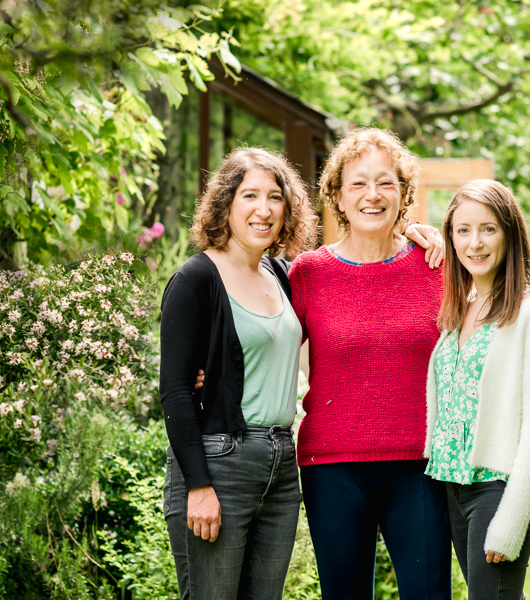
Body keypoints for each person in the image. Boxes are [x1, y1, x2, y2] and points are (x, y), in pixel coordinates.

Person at [159, 146, 443, 600]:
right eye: (249, 196)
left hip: (372, 462)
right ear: (336, 195)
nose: (263, 210)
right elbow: (190, 376)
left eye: (274, 197)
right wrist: (197, 475)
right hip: (292, 463)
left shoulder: (432, 266)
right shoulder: (291, 274)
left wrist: (425, 234)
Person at [289, 128, 452, 600]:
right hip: (333, 467)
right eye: (358, 183)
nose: (372, 195)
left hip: (420, 465)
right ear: (337, 195)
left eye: (385, 182)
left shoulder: (436, 265)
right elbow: (265, 345)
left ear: (404, 194)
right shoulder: (309, 273)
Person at [425, 179, 530, 600]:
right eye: (462, 230)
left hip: (499, 490)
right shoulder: (461, 306)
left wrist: (511, 520)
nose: (475, 243)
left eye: (488, 229)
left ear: (510, 233)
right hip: (455, 488)